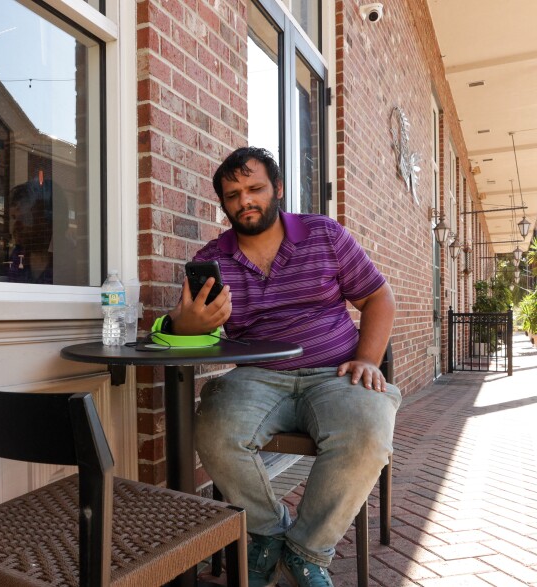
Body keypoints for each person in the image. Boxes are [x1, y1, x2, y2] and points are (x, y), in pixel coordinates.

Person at [161, 147, 400, 587]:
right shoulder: (213, 258)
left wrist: (367, 359)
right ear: (224, 203)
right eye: (233, 194)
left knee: (367, 435)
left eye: (255, 188)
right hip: (257, 377)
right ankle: (269, 533)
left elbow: (377, 298)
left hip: (336, 372)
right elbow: (181, 329)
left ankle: (304, 552)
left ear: (278, 189)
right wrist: (187, 324)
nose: (245, 201)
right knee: (215, 429)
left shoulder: (324, 234)